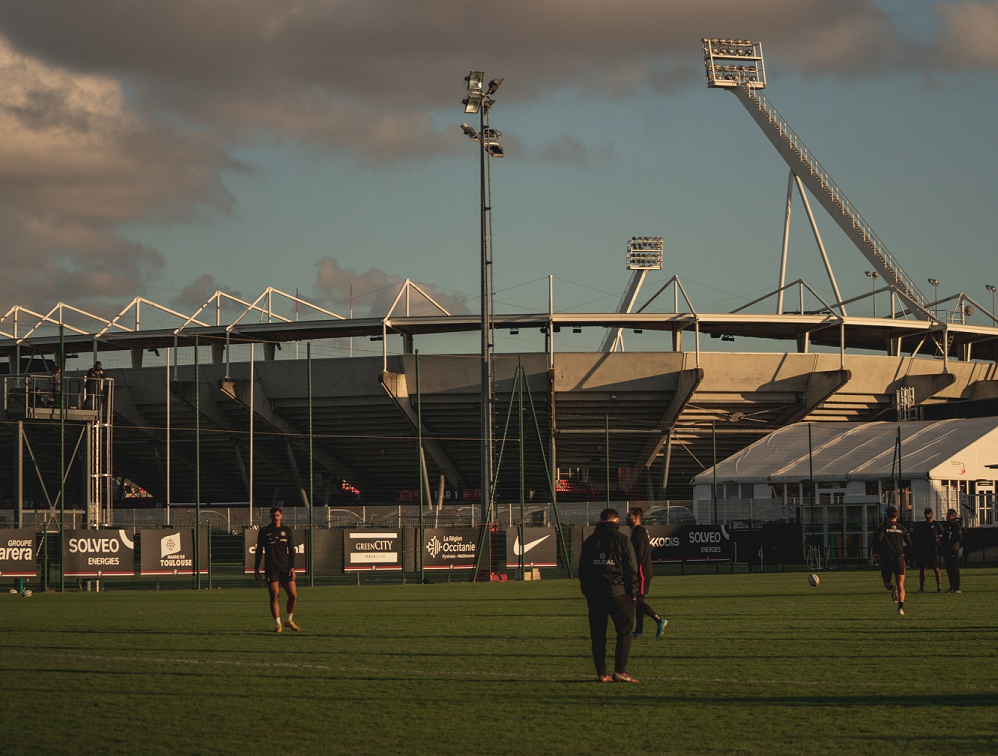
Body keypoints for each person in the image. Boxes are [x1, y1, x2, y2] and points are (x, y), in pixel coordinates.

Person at [578, 508, 640, 683]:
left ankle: (602, 673)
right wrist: (633, 593)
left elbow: (583, 571)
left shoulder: (590, 541)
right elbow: (631, 569)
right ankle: (620, 670)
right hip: (619, 593)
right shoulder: (623, 540)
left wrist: (587, 592)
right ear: (617, 521)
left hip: (596, 595)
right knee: (624, 632)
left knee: (598, 636)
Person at [254, 506, 300, 632]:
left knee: (293, 595)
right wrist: (256, 568)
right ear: (270, 517)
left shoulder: (287, 531)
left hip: (285, 568)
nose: (275, 518)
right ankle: (278, 624)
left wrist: (292, 567)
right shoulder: (264, 531)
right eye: (273, 516)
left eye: (277, 515)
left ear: (281, 516)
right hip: (271, 568)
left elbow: (291, 550)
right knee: (274, 595)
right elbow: (259, 551)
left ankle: (288, 620)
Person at [626, 507, 667, 638]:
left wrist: (631, 569)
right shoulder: (638, 531)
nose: (627, 517)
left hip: (641, 572)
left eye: (629, 515)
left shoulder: (639, 531)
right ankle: (639, 630)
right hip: (640, 571)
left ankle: (659, 620)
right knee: (638, 601)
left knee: (636, 600)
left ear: (636, 517)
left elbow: (638, 553)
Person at [874, 504, 912, 616]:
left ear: (887, 516)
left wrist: (876, 553)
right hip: (899, 558)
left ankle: (892, 588)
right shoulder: (902, 528)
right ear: (897, 515)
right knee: (901, 584)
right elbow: (910, 544)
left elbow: (878, 540)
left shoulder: (883, 527)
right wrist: (906, 554)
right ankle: (900, 608)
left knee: (886, 582)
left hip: (887, 558)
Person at [912, 507, 943, 593]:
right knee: (922, 569)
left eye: (928, 513)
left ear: (932, 514)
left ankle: (939, 586)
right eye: (926, 513)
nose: (927, 515)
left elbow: (942, 535)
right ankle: (921, 587)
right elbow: (918, 538)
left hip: (933, 550)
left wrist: (939, 541)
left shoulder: (936, 524)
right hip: (924, 550)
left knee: (936, 568)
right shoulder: (922, 525)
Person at [942, 508, 963, 593]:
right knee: (949, 568)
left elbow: (959, 537)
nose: (946, 516)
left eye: (948, 515)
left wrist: (950, 541)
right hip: (947, 549)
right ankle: (952, 586)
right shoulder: (948, 525)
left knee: (954, 568)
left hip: (953, 549)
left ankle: (957, 587)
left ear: (952, 516)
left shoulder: (956, 525)